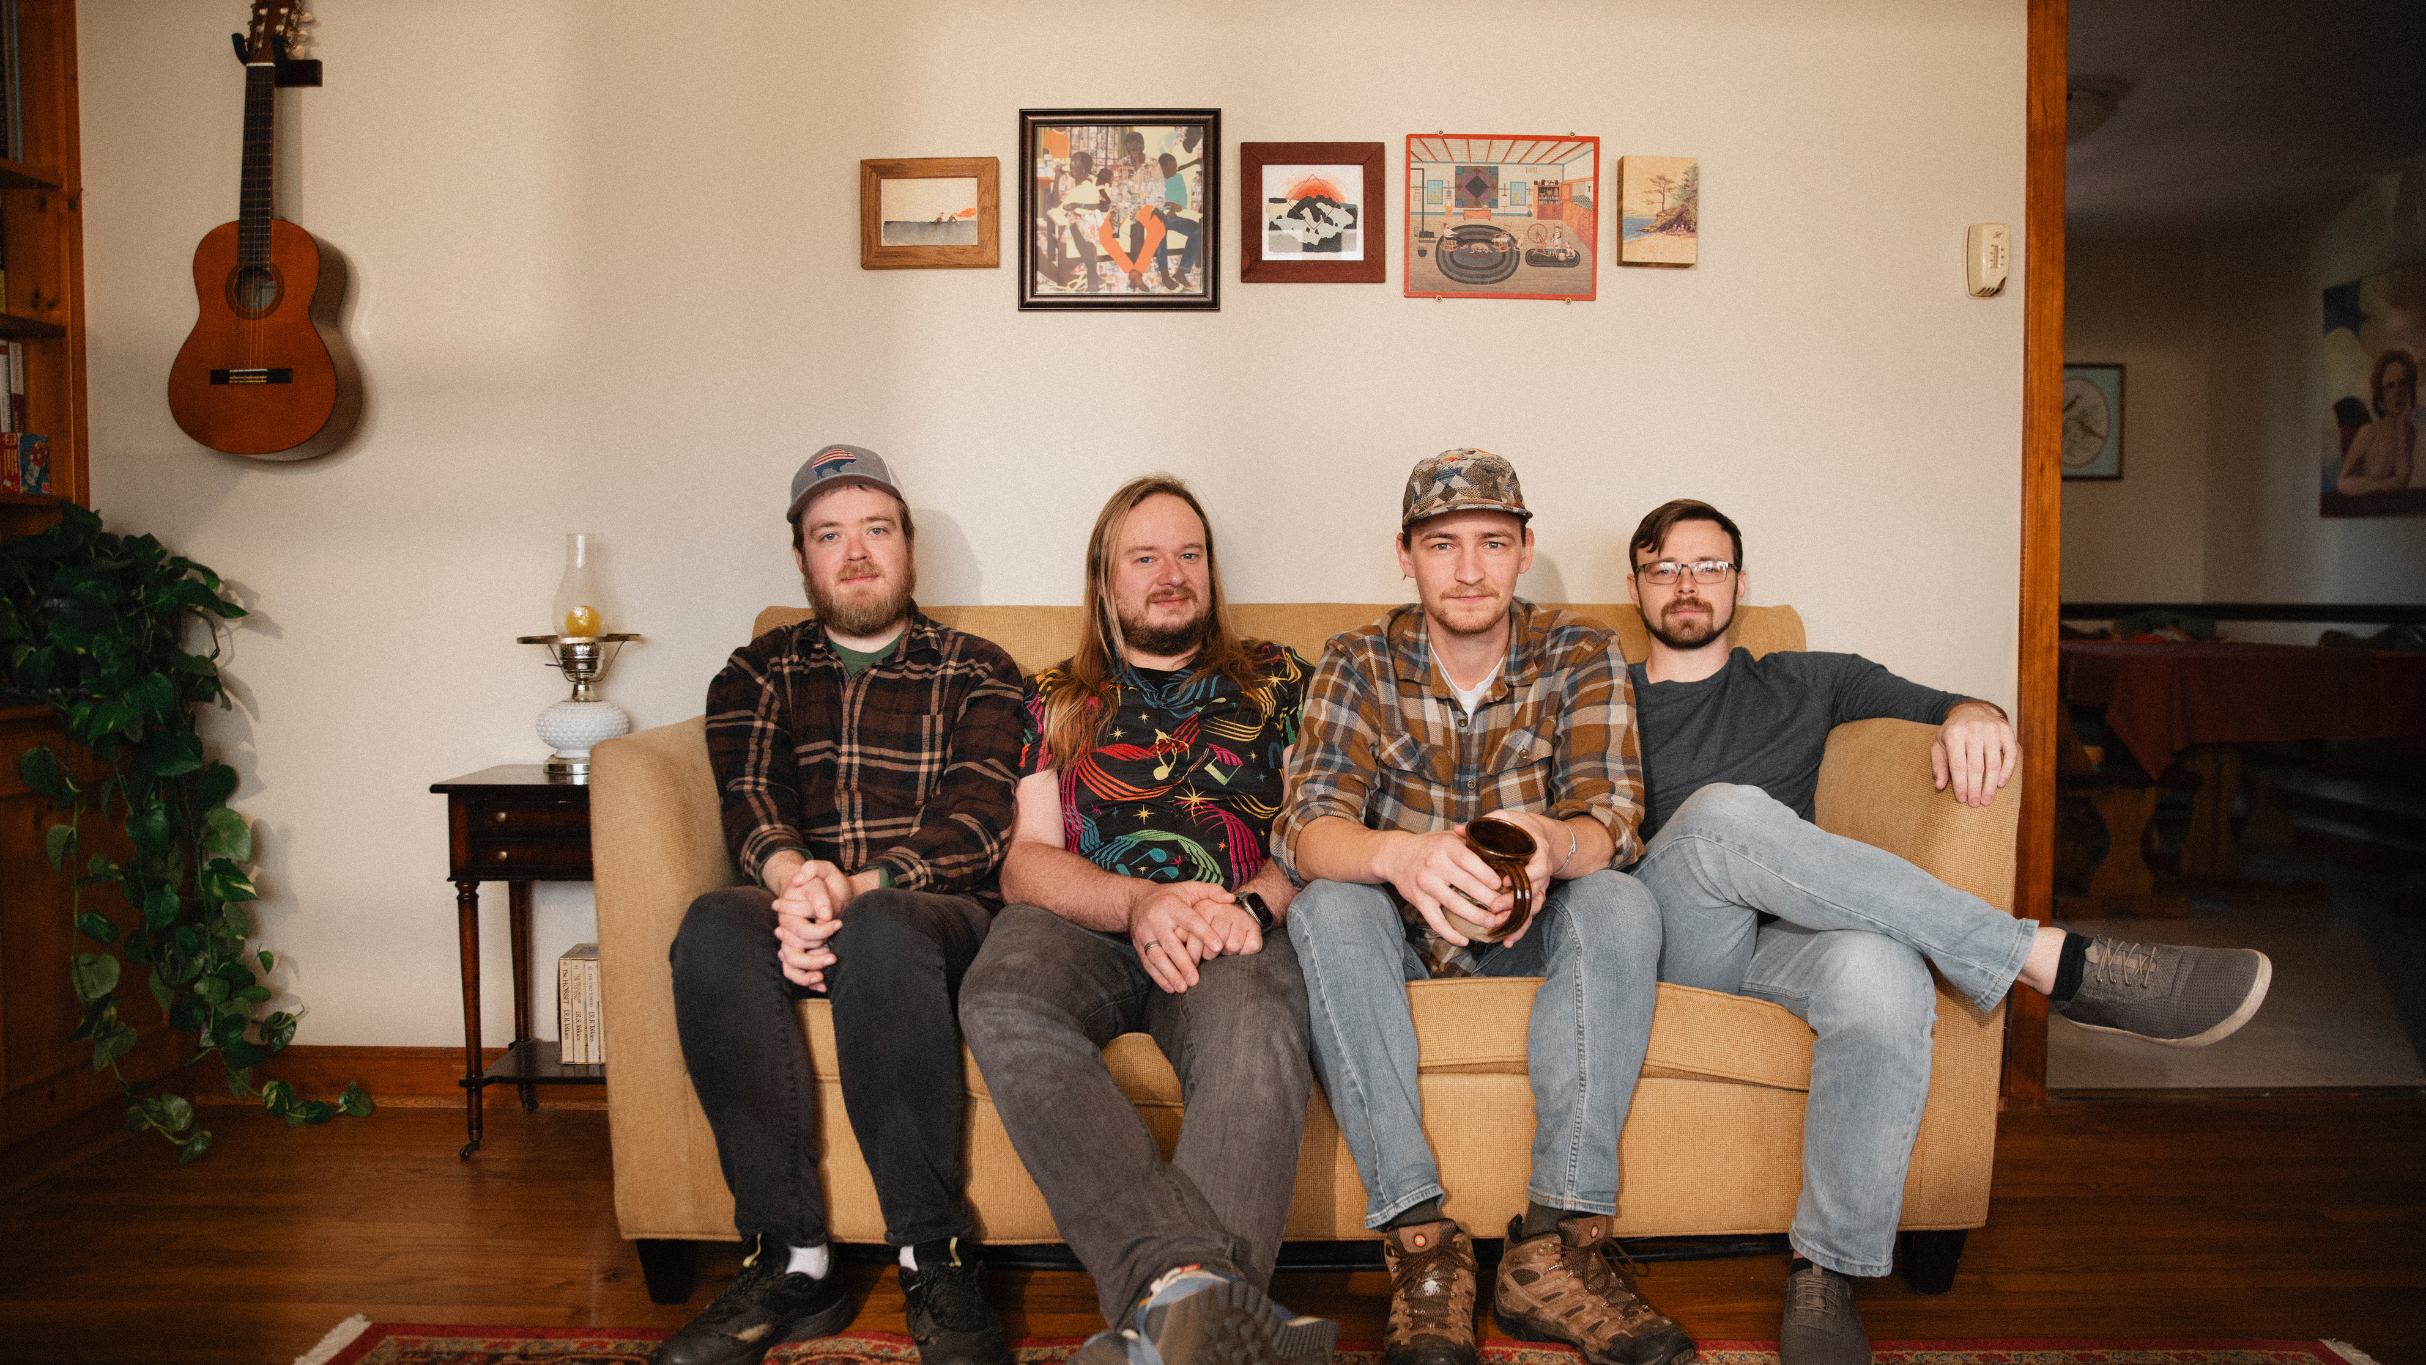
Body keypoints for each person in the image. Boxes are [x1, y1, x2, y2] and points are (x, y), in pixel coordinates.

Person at [1619, 497, 2275, 1365]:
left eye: (1708, 566)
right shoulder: (1605, 694)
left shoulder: (1809, 679)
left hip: (1780, 946)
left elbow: (1948, 703)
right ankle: (2049, 959)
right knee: (1721, 814)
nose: (1687, 583)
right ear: (1636, 584)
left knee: (1882, 970)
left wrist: (1975, 714)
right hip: (1670, 938)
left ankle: (1828, 1269)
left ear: (1739, 582)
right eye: (1665, 567)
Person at [1276, 449, 1695, 1365]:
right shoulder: (1357, 659)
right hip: (1394, 938)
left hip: (1526, 935)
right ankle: (1422, 1246)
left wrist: (1550, 840)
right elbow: (1305, 827)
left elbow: (1614, 816)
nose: (1469, 569)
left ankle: (1554, 1249)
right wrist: (1400, 854)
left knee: (1620, 901)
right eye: (1442, 544)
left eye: (1493, 543)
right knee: (1325, 906)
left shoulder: (1578, 650)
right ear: (1405, 554)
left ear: (1524, 550)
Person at [655, 445, 1026, 1365]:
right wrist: (796, 883)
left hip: (929, 911)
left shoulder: (979, 669)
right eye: (830, 535)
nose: (856, 552)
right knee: (711, 925)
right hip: (799, 898)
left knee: (884, 927)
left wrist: (852, 889)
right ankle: (791, 1261)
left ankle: (932, 1252)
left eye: (875, 529)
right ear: (801, 558)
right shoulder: (757, 670)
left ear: (908, 545)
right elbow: (752, 798)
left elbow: (976, 823)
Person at [959, 476, 1336, 1365]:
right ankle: (1195, 1296)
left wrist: (1256, 902)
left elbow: (1324, 824)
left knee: (1259, 1028)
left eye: (1189, 554)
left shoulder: (1283, 679)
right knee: (1001, 996)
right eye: (1146, 557)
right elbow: (1025, 859)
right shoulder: (1052, 695)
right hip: (1084, 920)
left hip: (1231, 923)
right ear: (1105, 579)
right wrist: (1137, 902)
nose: (1173, 574)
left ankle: (1172, 1328)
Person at [2337, 349, 2419, 495]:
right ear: (2381, 400)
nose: (2398, 391)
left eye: (2403, 383)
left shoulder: (2408, 431)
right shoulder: (2369, 432)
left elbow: (2402, 480)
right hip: (2366, 504)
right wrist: (2382, 485)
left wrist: (2401, 423)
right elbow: (2342, 482)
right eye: (2390, 386)